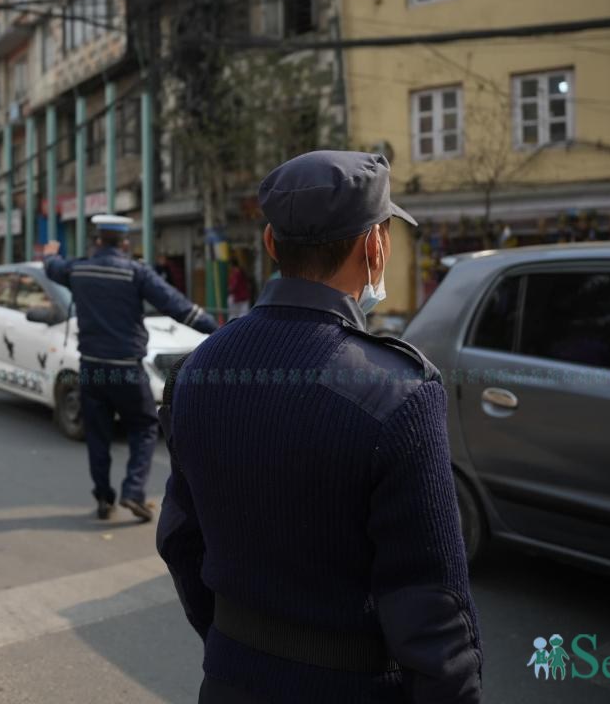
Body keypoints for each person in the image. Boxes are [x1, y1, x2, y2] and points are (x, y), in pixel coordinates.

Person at [157, 151, 482, 703]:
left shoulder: (198, 371)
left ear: (269, 244)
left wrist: (237, 643)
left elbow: (180, 540)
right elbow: (431, 608)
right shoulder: (398, 393)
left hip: (227, 681)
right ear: (374, 247)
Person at [43, 214, 218, 523]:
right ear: (125, 243)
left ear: (97, 241)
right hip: (126, 368)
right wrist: (216, 329)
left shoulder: (77, 269)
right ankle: (133, 491)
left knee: (98, 435)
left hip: (92, 368)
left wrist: (50, 252)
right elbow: (176, 305)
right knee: (144, 426)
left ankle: (102, 498)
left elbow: (53, 268)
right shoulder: (135, 273)